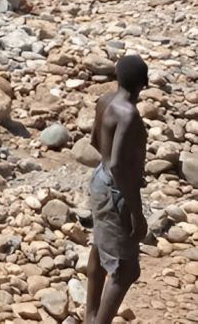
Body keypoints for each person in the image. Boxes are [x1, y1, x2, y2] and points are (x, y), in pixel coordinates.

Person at [86, 55, 149, 324]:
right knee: (126, 270)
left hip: (100, 180)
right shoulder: (129, 114)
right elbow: (121, 167)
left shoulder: (104, 101)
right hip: (116, 190)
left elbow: (94, 140)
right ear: (144, 84)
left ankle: (90, 315)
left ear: (116, 77)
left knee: (101, 248)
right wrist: (137, 212)